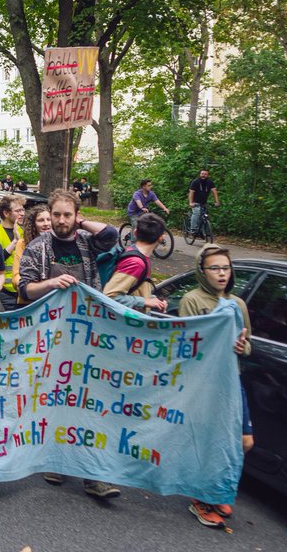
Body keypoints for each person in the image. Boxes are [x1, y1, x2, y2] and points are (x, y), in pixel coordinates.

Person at [19, 189, 121, 498]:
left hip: (89, 336)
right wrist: (50, 283)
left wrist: (83, 222)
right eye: (57, 215)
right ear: (49, 215)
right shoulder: (38, 248)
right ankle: (56, 459)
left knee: (89, 404)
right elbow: (25, 289)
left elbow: (112, 235)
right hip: (52, 337)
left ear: (76, 216)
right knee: (57, 401)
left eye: (67, 215)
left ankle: (93, 475)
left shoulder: (87, 243)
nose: (62, 221)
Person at [179, 243, 253, 528]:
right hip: (206, 385)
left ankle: (216, 486)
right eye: (215, 268)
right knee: (210, 443)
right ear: (202, 271)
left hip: (232, 381)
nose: (222, 273)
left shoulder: (238, 304)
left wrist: (240, 346)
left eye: (226, 267)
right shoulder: (192, 300)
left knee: (244, 442)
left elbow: (248, 344)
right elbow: (186, 344)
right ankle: (201, 498)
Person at [103, 213, 169, 313]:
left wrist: (153, 299)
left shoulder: (133, 252)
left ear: (135, 232)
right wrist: (144, 302)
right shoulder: (136, 263)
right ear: (161, 238)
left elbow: (135, 289)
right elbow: (110, 296)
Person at [8, 204, 50, 307]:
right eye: (41, 220)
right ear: (33, 224)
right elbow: (16, 276)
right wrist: (28, 287)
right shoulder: (23, 244)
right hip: (28, 302)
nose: (46, 224)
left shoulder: (58, 243)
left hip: (51, 301)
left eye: (49, 219)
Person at [0, 195, 25, 310]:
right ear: (6, 213)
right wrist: (15, 241)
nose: (22, 214)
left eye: (23, 210)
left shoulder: (25, 232)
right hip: (3, 291)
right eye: (18, 211)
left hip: (22, 289)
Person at [187, 169, 220, 237]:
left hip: (204, 202)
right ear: (200, 174)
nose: (203, 175)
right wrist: (191, 203)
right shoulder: (195, 182)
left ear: (208, 175)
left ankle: (206, 232)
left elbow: (214, 192)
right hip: (195, 202)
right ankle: (193, 230)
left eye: (205, 174)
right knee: (196, 213)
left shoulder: (210, 182)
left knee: (205, 216)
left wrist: (216, 201)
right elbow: (191, 193)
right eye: (202, 174)